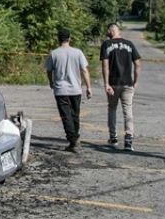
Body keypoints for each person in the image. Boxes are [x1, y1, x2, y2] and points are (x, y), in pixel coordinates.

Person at [45, 28, 92, 152]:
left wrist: (51, 81)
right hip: (76, 89)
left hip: (60, 90)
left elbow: (49, 70)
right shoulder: (78, 53)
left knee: (66, 116)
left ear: (58, 39)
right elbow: (85, 70)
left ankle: (73, 141)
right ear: (69, 38)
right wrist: (88, 87)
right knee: (75, 115)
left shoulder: (54, 53)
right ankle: (74, 140)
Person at [100, 22, 142, 150]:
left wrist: (106, 83)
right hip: (127, 82)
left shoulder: (106, 44)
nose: (107, 33)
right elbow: (138, 64)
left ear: (112, 31)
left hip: (113, 83)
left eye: (108, 30)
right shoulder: (129, 44)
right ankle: (128, 139)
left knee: (112, 109)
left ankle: (113, 138)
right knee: (127, 110)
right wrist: (136, 81)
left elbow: (105, 65)